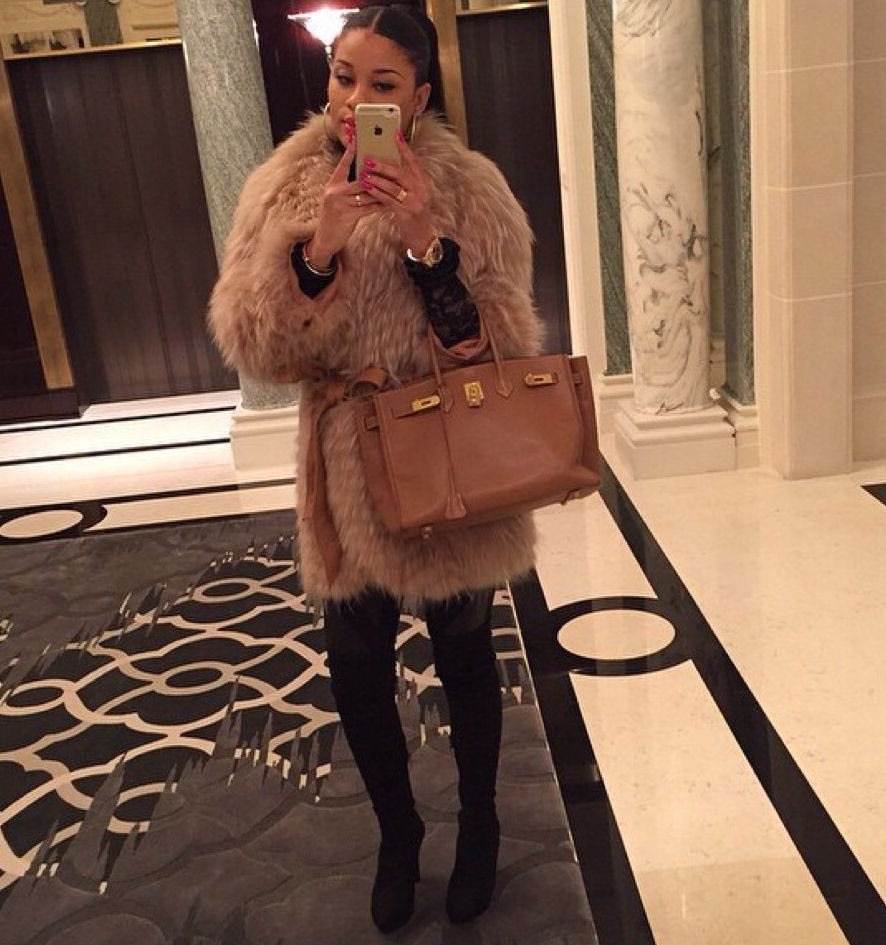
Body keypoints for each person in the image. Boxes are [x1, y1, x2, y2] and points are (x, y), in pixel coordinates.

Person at [208, 4, 543, 933]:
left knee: (465, 651)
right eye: (343, 77)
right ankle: (400, 835)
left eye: (382, 85)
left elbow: (503, 344)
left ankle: (481, 823)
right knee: (355, 665)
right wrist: (315, 249)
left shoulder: (471, 189)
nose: (356, 101)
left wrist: (428, 241)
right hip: (345, 470)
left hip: (449, 454)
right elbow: (254, 346)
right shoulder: (282, 186)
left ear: (420, 97)